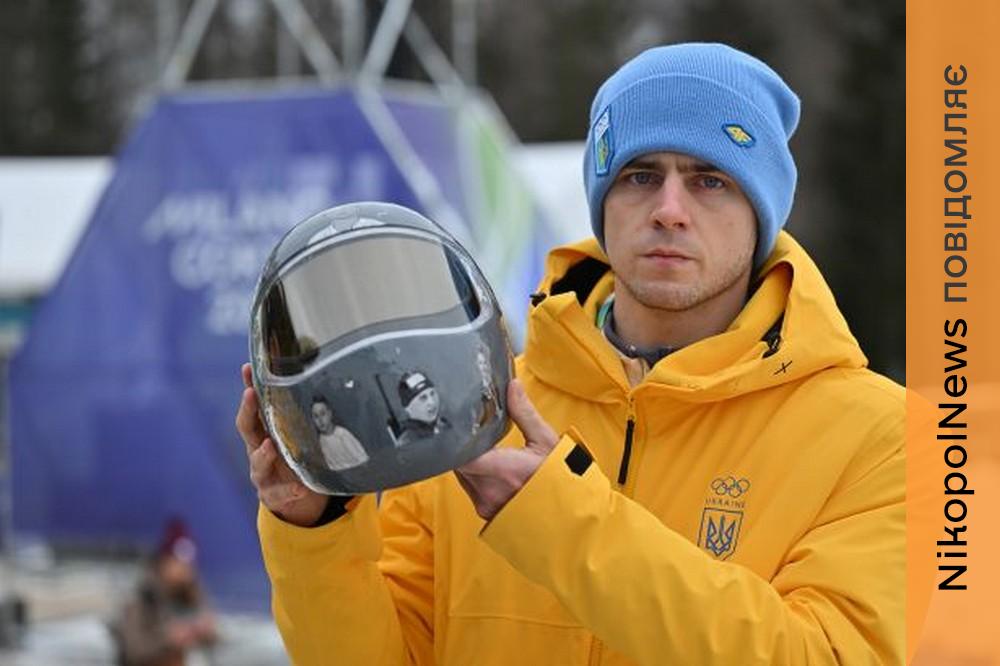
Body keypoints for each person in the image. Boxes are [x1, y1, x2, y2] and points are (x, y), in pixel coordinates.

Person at [236, 43, 904, 665]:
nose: (670, 209)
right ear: (602, 200)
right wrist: (314, 528)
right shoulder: (475, 407)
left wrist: (557, 520)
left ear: (762, 209)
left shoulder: (879, 436)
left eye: (710, 181)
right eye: (640, 175)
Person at [110, 519, 218, 666]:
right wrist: (169, 639)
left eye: (187, 564)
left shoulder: (194, 596)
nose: (183, 569)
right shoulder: (143, 598)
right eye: (177, 562)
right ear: (164, 562)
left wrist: (207, 633)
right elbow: (133, 648)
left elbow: (214, 639)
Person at [311, 395, 369, 470]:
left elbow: (363, 460)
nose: (320, 420)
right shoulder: (321, 440)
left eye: (323, 414)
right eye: (316, 416)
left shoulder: (342, 434)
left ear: (330, 414)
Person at [395, 371, 451, 447]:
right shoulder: (408, 442)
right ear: (408, 408)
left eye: (432, 393)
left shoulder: (444, 424)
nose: (432, 402)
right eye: (423, 398)